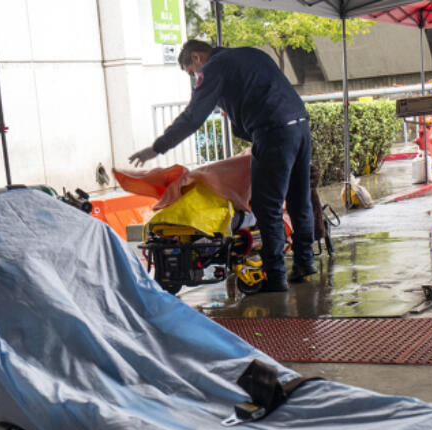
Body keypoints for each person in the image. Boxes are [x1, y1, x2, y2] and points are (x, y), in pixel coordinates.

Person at [129, 39, 315, 293]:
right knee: (298, 198)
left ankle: (275, 277)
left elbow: (194, 116)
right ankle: (305, 261)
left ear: (196, 57)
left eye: (192, 73)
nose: (195, 78)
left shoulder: (214, 68)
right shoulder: (250, 53)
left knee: (266, 205)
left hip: (273, 131)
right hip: (301, 126)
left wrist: (157, 147)